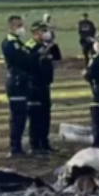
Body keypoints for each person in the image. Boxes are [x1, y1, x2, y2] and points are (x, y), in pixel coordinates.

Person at [1, 15, 36, 158]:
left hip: (21, 82)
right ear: (11, 27)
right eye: (19, 25)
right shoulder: (10, 43)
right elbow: (22, 60)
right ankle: (15, 147)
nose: (22, 28)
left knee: (22, 116)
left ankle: (18, 146)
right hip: (15, 82)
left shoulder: (18, 43)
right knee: (17, 117)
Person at [27, 21, 61, 156]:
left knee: (45, 115)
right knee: (36, 116)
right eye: (44, 30)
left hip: (45, 84)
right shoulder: (30, 46)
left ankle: (45, 143)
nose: (47, 33)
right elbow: (31, 62)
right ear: (36, 32)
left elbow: (57, 59)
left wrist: (53, 45)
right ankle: (35, 145)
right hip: (34, 85)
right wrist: (43, 51)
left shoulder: (47, 45)